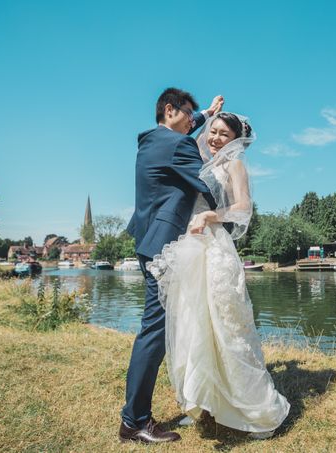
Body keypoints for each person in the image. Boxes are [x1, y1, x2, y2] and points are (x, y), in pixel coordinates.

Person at [147, 112, 290, 439]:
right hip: (193, 247)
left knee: (225, 325)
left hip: (215, 248)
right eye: (212, 132)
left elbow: (243, 208)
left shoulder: (234, 165)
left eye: (223, 134)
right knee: (193, 324)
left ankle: (251, 407)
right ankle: (204, 403)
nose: (214, 138)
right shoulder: (204, 164)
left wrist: (212, 215)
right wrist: (205, 114)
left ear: (236, 140)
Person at [119, 88, 223, 444]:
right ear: (169, 109)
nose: (193, 122)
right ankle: (134, 421)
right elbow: (206, 180)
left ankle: (136, 416)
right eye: (188, 115)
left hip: (148, 240)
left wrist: (207, 116)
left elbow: (183, 135)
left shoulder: (152, 141)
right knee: (154, 332)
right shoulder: (179, 147)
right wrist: (227, 193)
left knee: (156, 329)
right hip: (164, 246)